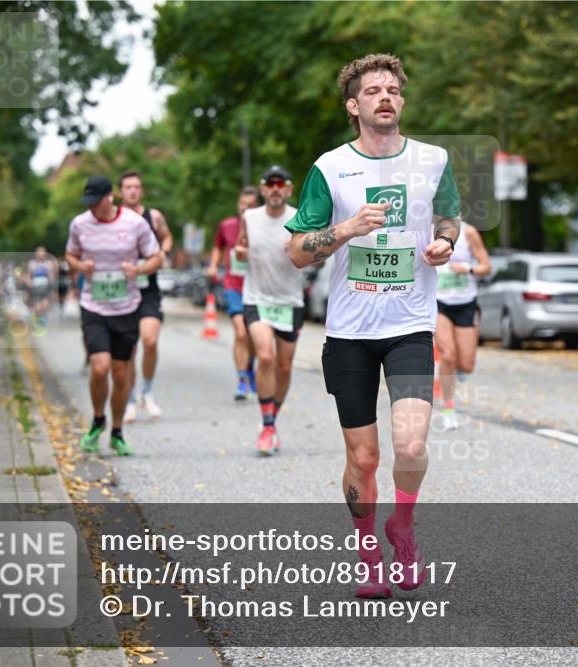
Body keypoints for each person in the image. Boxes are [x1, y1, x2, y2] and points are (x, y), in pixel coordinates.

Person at [285, 54, 461, 599]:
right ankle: (367, 550)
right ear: (354, 106)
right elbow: (296, 252)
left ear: (401, 102)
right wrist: (345, 229)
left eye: (393, 90)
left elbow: (449, 215)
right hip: (349, 335)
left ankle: (401, 528)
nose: (385, 97)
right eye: (373, 91)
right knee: (364, 458)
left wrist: (445, 243)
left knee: (409, 447)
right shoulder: (330, 167)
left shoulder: (433, 160)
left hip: (410, 324)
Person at [65, 175, 161, 456]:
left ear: (111, 197)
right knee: (100, 367)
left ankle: (117, 432)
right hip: (93, 306)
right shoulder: (80, 224)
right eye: (89, 203)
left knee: (120, 374)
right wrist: (81, 266)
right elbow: (70, 255)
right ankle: (97, 420)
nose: (92, 207)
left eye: (97, 202)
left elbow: (156, 258)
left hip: (127, 307)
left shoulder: (134, 223)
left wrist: (138, 270)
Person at [235, 166, 303, 455]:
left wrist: (300, 249)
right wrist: (240, 253)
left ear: (288, 189)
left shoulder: (299, 217)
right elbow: (242, 247)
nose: (275, 189)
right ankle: (266, 424)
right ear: (262, 190)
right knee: (265, 356)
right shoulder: (249, 217)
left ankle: (272, 419)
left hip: (289, 301)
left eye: (281, 184)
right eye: (270, 184)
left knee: (284, 367)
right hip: (257, 298)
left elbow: (313, 257)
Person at [117, 170, 173, 422]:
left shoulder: (154, 216)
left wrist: (163, 252)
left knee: (149, 342)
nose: (132, 191)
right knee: (128, 349)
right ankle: (129, 400)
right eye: (127, 187)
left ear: (141, 191)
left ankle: (147, 393)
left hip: (148, 289)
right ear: (120, 191)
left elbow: (167, 236)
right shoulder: (114, 218)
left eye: (136, 187)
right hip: (122, 291)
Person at [434, 221, 491, 429]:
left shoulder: (470, 232)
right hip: (438, 301)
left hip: (466, 302)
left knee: (466, 364)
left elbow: (486, 266)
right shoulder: (427, 229)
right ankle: (449, 408)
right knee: (448, 354)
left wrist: (468, 269)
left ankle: (455, 369)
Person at [209, 186, 260, 400]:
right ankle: (242, 380)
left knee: (256, 338)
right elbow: (218, 246)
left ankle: (249, 368)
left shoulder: (264, 226)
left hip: (258, 287)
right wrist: (213, 265)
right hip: (233, 286)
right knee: (240, 332)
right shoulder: (227, 226)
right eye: (242, 204)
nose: (245, 208)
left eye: (250, 205)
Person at [25, 246, 55, 333]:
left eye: (42, 252)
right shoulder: (32, 264)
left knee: (44, 306)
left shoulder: (49, 264)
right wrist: (29, 284)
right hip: (35, 288)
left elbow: (51, 276)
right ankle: (36, 320)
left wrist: (51, 287)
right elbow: (28, 276)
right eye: (39, 252)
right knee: (37, 307)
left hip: (45, 288)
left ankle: (42, 326)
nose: (40, 254)